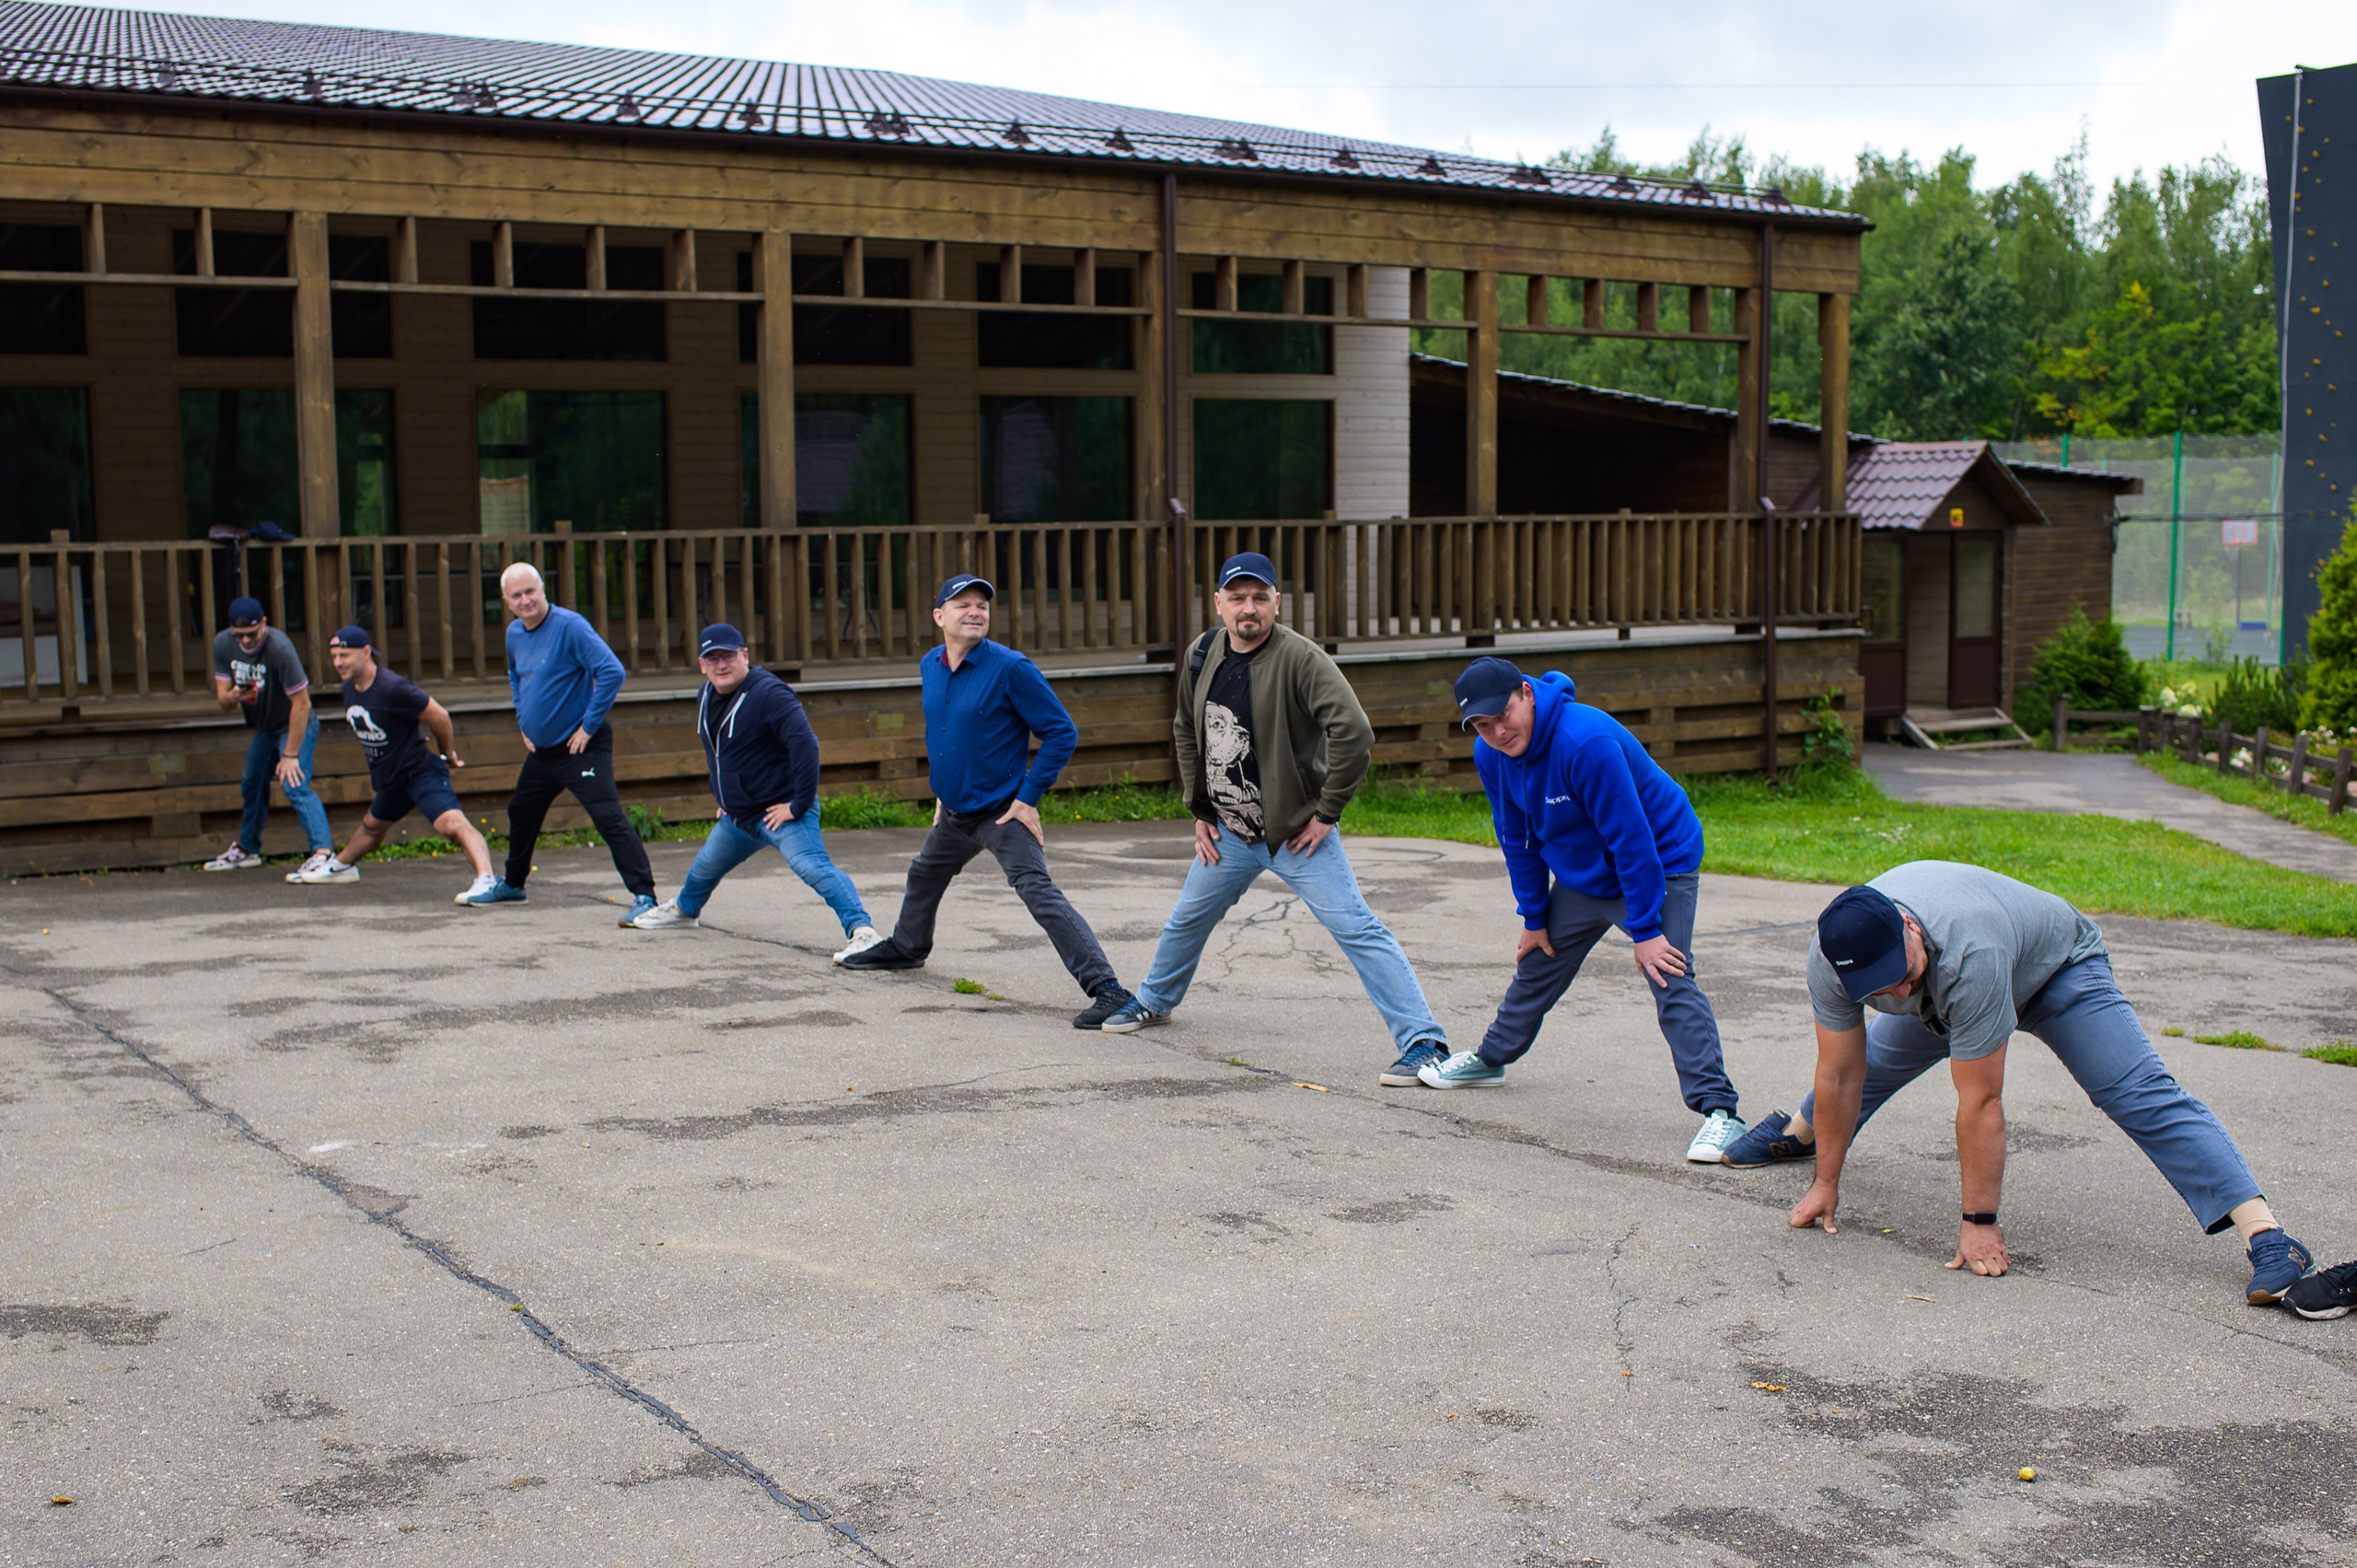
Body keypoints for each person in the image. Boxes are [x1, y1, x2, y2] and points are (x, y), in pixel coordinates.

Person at [1722, 862, 2315, 1307]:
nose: (1897, 994)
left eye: (1899, 974)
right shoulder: (1833, 958)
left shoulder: (1966, 952)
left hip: (2056, 971)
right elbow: (1841, 1071)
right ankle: (1801, 1136)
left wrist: (1979, 1224)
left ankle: (2266, 1234)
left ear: (1908, 926)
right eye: (1878, 987)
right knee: (1867, 1066)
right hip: (1954, 990)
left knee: (2134, 1090)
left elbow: (1980, 1102)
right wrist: (1828, 1181)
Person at [1099, 553, 1450, 1085]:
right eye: (1237, 598)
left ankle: (1424, 1042)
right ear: (1218, 603)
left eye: (1260, 598)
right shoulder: (1202, 654)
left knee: (1358, 929)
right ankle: (1154, 1001)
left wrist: (1326, 813)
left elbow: (1355, 734)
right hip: (1230, 831)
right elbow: (1185, 728)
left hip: (1295, 835)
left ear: (1277, 603)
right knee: (1188, 918)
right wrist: (1200, 808)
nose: (1249, 608)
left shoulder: (1301, 660)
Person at [1418, 657, 1747, 1163]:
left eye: (1503, 714)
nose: (1498, 731)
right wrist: (1533, 916)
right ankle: (1490, 1060)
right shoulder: (1492, 753)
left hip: (1660, 860)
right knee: (1539, 961)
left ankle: (1721, 1112)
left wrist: (1645, 930)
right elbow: (1517, 837)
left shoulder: (1584, 742)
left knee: (1668, 974)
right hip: (1585, 874)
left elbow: (1632, 840)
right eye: (1483, 725)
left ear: (1527, 693)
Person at [841, 573, 1133, 1030]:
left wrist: (1028, 797)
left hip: (1001, 811)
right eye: (963, 605)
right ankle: (908, 947)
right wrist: (943, 792)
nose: (975, 611)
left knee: (1037, 891)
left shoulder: (1011, 668)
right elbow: (944, 732)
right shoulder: (930, 665)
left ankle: (1108, 990)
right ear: (940, 616)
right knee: (924, 873)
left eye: (982, 605)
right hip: (955, 812)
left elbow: (1062, 733)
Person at [626, 623, 879, 957]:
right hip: (739, 817)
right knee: (703, 869)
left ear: (744, 655)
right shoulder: (706, 694)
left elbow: (806, 745)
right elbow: (719, 752)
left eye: (728, 655)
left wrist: (799, 804)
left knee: (813, 868)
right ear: (702, 665)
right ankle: (684, 913)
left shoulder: (769, 694)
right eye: (712, 658)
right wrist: (725, 797)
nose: (721, 664)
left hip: (780, 813)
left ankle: (864, 933)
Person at [462, 562, 658, 923]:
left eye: (530, 591)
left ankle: (645, 896)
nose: (525, 600)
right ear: (506, 601)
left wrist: (588, 726)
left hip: (581, 746)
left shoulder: (570, 627)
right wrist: (523, 721)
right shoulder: (514, 634)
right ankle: (514, 885)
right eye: (516, 595)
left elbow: (612, 671)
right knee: (521, 811)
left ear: (543, 589)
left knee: (607, 816)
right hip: (543, 751)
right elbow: (515, 674)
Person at [290, 625, 497, 900]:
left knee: (451, 825)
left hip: (419, 772)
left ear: (365, 652)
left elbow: (440, 716)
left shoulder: (394, 688)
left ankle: (487, 879)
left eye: (345, 655)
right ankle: (340, 867)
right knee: (372, 826)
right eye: (334, 656)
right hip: (391, 779)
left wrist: (447, 754)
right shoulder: (349, 688)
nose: (338, 662)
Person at [203, 596, 335, 878]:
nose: (248, 641)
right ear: (231, 631)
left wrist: (289, 755)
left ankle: (324, 854)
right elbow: (223, 701)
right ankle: (248, 849)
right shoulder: (223, 644)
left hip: (296, 722)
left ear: (264, 623)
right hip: (265, 727)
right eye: (240, 636)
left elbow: (303, 704)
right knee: (252, 782)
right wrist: (235, 695)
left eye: (252, 634)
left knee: (295, 784)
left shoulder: (279, 647)